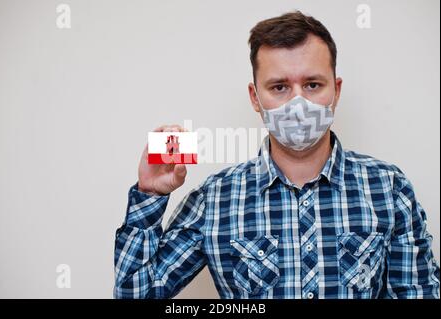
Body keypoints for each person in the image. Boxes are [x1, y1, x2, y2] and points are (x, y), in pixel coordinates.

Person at [114, 11, 440, 299]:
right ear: (255, 98)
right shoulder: (215, 199)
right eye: (279, 87)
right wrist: (151, 196)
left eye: (312, 85)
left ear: (336, 91)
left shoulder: (388, 187)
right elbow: (135, 293)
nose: (298, 103)